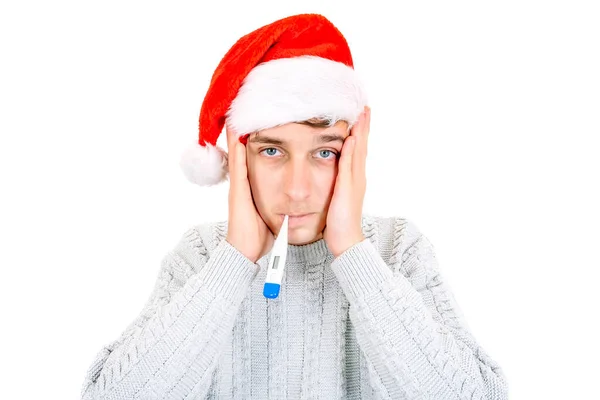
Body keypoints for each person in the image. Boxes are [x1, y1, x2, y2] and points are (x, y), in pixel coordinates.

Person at [79, 13, 508, 400]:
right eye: (271, 151)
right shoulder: (203, 254)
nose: (298, 190)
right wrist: (235, 260)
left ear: (354, 155)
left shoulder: (397, 248)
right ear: (238, 157)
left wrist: (354, 252)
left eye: (325, 153)